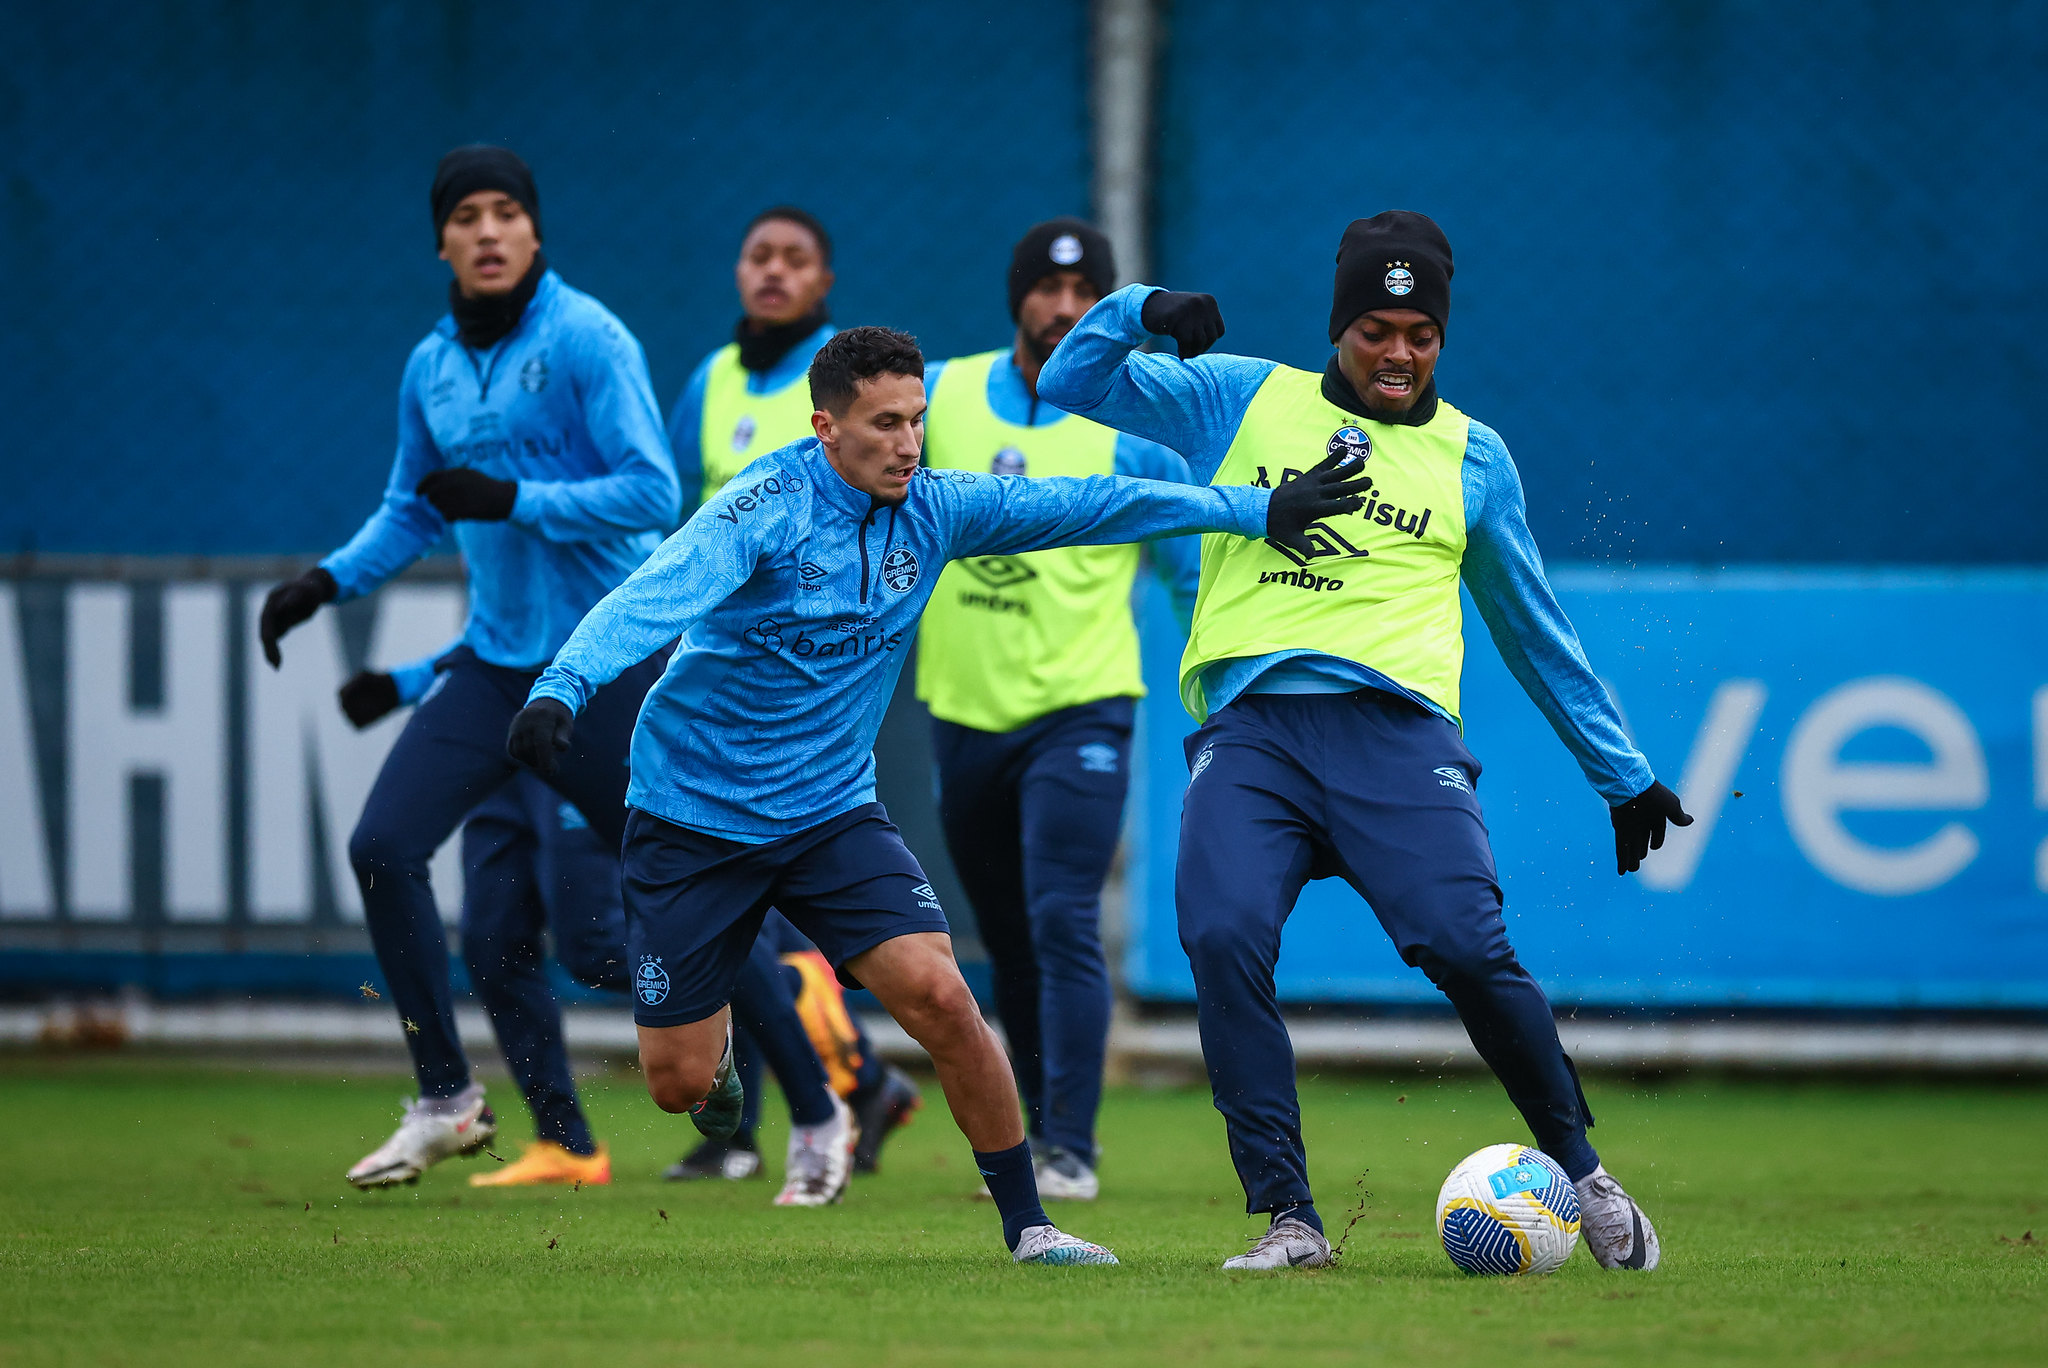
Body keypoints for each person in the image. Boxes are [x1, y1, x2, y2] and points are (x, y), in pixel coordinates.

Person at [504, 325, 1365, 1264]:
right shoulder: (761, 509)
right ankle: (714, 1078)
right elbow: (648, 596)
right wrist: (563, 687)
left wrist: (1251, 509)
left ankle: (1031, 1226)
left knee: (945, 998)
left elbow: (1092, 503)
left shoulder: (937, 509)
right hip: (692, 816)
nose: (908, 444)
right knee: (673, 1083)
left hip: (831, 812)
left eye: (917, 420)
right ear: (826, 428)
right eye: (884, 424)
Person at [1038, 210, 1692, 1272]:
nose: (1397, 353)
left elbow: (1531, 627)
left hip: (1398, 745)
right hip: (1253, 737)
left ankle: (1582, 1172)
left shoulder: (1473, 458)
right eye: (1375, 329)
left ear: (1440, 338)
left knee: (1468, 948)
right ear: (1338, 327)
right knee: (1218, 933)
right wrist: (1135, 310)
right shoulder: (1238, 397)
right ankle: (1290, 1221)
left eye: (1419, 334)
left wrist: (1618, 772)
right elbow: (1068, 382)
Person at [255, 145, 682, 1189]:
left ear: (535, 230)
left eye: (505, 213)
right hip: (496, 669)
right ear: (441, 239)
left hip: (601, 661)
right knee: (383, 846)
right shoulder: (430, 365)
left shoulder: (587, 337)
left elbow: (651, 493)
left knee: (683, 873)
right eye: (467, 217)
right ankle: (447, 1099)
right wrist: (325, 583)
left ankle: (807, 1080)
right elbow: (414, 504)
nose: (487, 231)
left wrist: (515, 500)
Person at [916, 218, 1198, 1201]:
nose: (1064, 309)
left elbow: (1188, 574)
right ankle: (1036, 1123)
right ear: (1018, 299)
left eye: (1085, 295)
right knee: (1006, 936)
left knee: (1060, 916)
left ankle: (1069, 1146)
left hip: (1082, 709)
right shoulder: (941, 397)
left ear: (1107, 308)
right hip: (962, 715)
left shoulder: (1136, 433)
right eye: (1046, 290)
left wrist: (1222, 698)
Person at [660, 206, 923, 1189]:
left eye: (795, 259)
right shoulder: (713, 381)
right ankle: (829, 1091)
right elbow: (681, 508)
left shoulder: (847, 386)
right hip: (716, 676)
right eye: (758, 255)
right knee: (740, 908)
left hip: (820, 677)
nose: (772, 272)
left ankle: (824, 1095)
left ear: (824, 281)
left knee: (748, 903)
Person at [339, 654, 626, 1187]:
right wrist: (408, 682)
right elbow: (497, 633)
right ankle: (565, 1142)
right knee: (492, 947)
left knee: (597, 949)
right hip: (502, 755)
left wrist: (336, 578)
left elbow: (576, 621)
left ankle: (784, 986)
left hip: (568, 731)